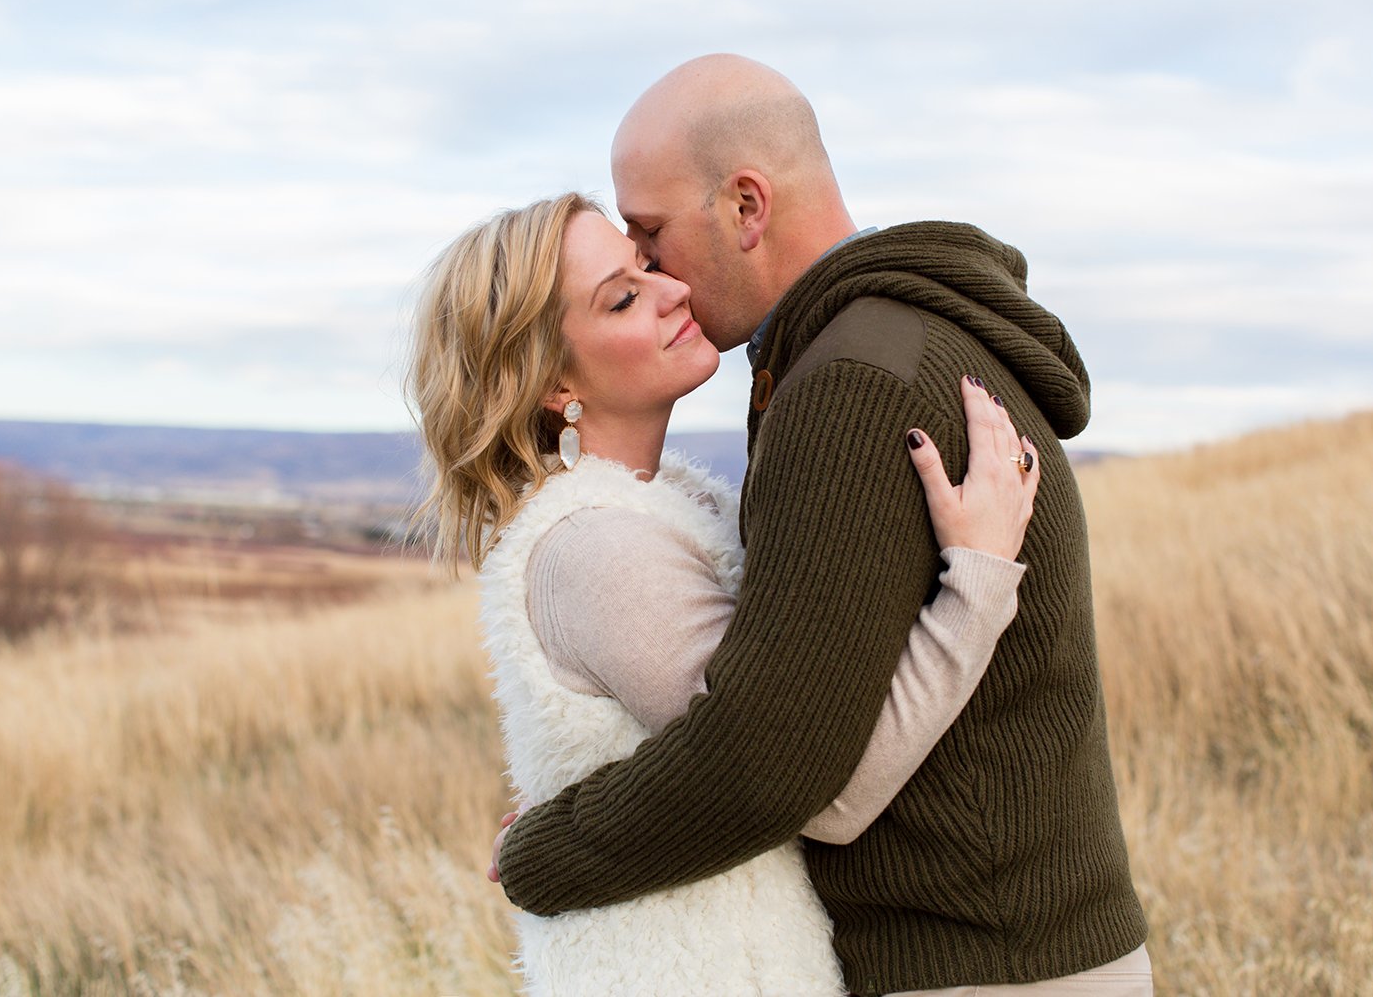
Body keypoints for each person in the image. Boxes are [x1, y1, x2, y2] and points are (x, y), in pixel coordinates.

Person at [489, 55, 1151, 997]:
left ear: (746, 207)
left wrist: (549, 849)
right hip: (1020, 946)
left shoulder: (849, 381)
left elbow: (777, 765)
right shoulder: (897, 340)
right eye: (629, 273)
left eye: (652, 236)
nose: (661, 275)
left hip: (974, 964)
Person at [410, 192, 1042, 994]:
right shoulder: (597, 547)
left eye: (647, 264)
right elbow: (822, 793)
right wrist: (977, 580)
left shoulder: (671, 508)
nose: (672, 289)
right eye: (625, 297)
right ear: (549, 379)